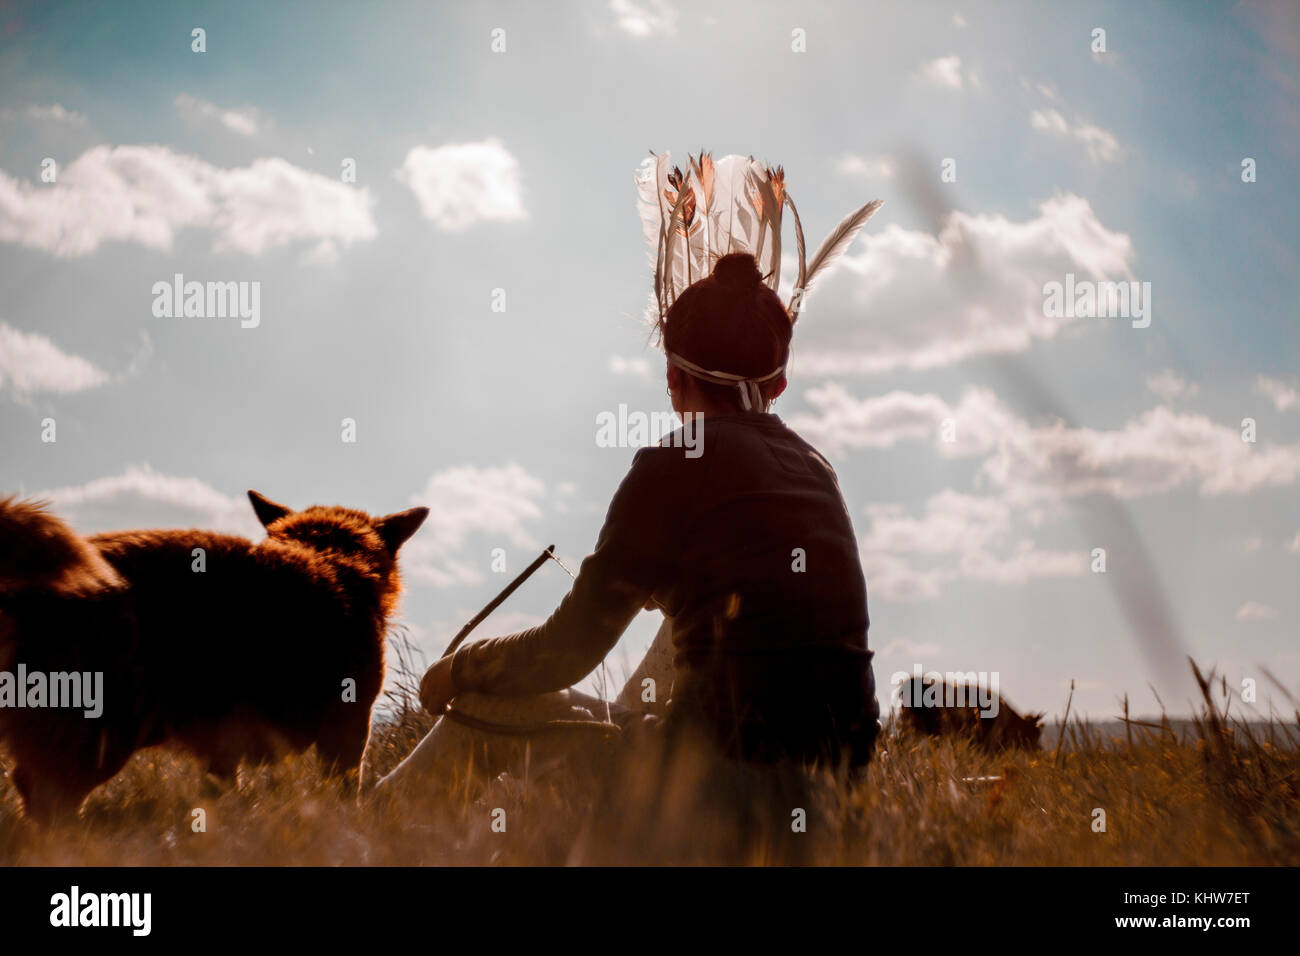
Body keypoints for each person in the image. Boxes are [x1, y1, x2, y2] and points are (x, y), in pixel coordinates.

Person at [374, 252, 879, 796]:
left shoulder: (675, 462)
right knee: (677, 635)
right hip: (840, 801)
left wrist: (458, 669)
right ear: (778, 384)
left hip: (712, 796)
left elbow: (565, 652)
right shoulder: (818, 471)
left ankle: (368, 830)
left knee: (481, 706)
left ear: (673, 375)